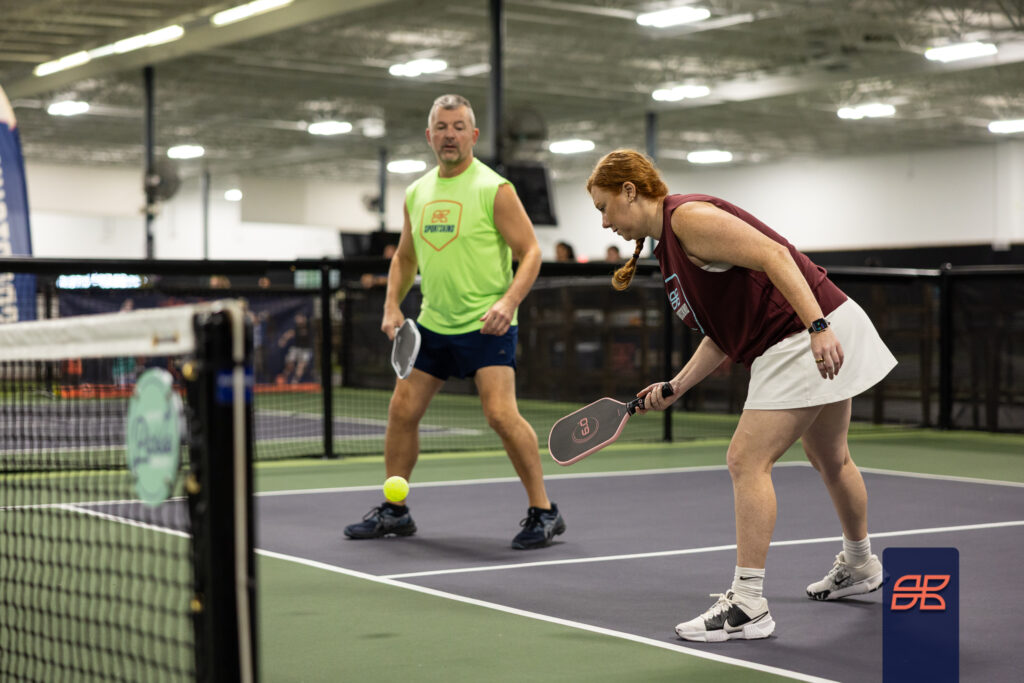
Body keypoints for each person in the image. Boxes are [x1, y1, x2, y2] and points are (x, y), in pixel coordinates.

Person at [586, 149, 896, 642]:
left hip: (803, 334)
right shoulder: (669, 246)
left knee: (746, 460)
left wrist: (817, 327)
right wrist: (675, 386)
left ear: (629, 191)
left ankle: (748, 603)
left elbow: (776, 255)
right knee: (830, 457)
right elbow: (723, 334)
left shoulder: (688, 219)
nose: (604, 222)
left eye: (604, 207)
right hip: (819, 325)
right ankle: (860, 564)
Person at [343, 94, 565, 550]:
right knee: (401, 411)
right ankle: (395, 509)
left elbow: (531, 252)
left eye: (459, 127)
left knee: (500, 415)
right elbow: (405, 258)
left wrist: (508, 302)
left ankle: (544, 511)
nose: (450, 135)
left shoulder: (494, 189)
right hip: (433, 325)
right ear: (429, 136)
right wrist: (390, 306)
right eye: (442, 127)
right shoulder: (417, 192)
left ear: (473, 135)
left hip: (487, 324)